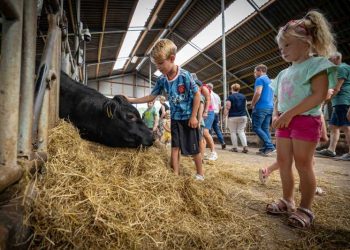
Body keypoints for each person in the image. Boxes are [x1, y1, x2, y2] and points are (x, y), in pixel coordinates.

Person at [265, 10, 337, 228]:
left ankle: (306, 208)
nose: (282, 51)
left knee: (303, 164)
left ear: (306, 42)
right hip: (285, 122)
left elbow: (318, 95)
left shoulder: (317, 65)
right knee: (284, 163)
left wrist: (289, 113)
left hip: (305, 120)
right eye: (280, 48)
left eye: (287, 45)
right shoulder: (283, 74)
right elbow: (277, 97)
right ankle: (287, 200)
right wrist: (277, 114)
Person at [126, 39, 204, 180]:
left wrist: (194, 117)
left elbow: (197, 94)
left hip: (188, 118)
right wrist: (131, 100)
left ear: (172, 58)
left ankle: (200, 173)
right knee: (175, 147)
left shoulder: (185, 76)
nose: (159, 67)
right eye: (156, 64)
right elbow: (151, 97)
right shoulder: (162, 80)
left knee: (194, 149)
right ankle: (175, 175)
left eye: (161, 63)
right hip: (175, 118)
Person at [316, 52, 350, 161]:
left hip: (342, 100)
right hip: (339, 101)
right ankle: (331, 150)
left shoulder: (342, 68)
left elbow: (337, 88)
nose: (328, 61)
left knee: (346, 127)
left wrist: (324, 101)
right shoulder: (340, 68)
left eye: (330, 59)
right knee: (333, 126)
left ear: (336, 58)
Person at [251, 64, 275, 156]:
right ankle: (266, 148)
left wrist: (253, 104)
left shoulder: (259, 79)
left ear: (260, 70)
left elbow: (258, 92)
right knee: (265, 128)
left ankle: (269, 146)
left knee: (256, 127)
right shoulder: (270, 81)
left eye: (255, 71)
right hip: (270, 107)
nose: (254, 74)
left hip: (261, 107)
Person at [223, 83, 248, 153]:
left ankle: (234, 148)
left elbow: (228, 107)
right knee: (241, 131)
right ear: (238, 89)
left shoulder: (230, 97)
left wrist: (224, 116)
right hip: (243, 116)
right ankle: (245, 146)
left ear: (232, 89)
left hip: (233, 117)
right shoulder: (243, 96)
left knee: (233, 132)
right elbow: (245, 106)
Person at [207, 83, 226, 150]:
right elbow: (220, 107)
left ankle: (209, 143)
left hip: (210, 112)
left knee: (209, 129)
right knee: (217, 129)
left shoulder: (208, 94)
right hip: (216, 113)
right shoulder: (217, 96)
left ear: (208, 88)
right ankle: (222, 142)